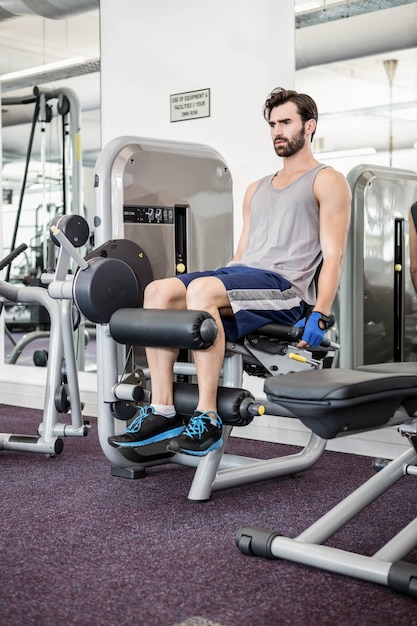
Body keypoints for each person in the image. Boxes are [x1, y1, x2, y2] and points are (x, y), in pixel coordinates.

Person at [108, 87, 352, 457]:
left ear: (310, 126)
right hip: (247, 279)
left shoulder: (326, 180)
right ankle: (163, 409)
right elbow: (242, 256)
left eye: (286, 122)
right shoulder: (256, 189)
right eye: (273, 124)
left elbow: (334, 255)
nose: (277, 131)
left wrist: (320, 312)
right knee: (157, 292)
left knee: (204, 290)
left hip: (285, 289)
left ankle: (207, 417)